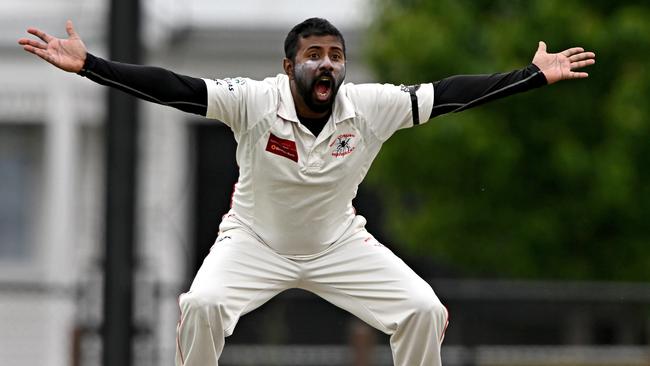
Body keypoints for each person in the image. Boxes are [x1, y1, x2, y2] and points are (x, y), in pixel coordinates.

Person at [19, 18, 595, 366]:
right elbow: (176, 88)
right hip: (252, 243)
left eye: (336, 57)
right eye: (314, 56)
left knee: (422, 310)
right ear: (288, 64)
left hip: (338, 243)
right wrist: (91, 64)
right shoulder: (252, 99)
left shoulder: (368, 106)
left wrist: (532, 75)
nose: (327, 65)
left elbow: (447, 94)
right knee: (201, 306)